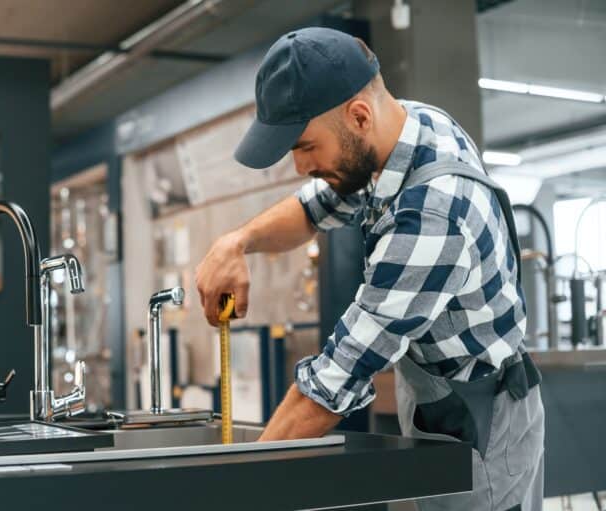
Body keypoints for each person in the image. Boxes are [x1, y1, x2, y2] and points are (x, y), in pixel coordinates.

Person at [194, 27, 544, 510]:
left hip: (484, 422)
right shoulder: (406, 130)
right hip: (444, 400)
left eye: (306, 146)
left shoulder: (431, 216)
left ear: (358, 116)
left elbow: (333, 383)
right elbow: (314, 208)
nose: (299, 166)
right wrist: (236, 242)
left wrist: (243, 489)